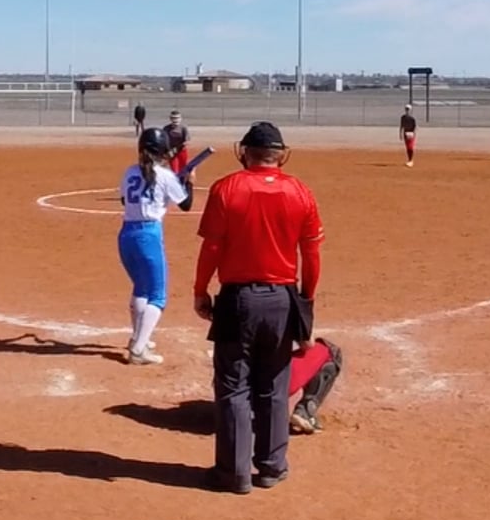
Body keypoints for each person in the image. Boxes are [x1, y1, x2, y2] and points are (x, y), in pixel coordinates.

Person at [194, 121, 323, 494]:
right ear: (280, 156)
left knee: (234, 386)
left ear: (245, 152)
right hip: (282, 298)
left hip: (238, 298)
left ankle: (233, 473)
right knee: (274, 385)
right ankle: (271, 466)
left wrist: (200, 290)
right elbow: (311, 254)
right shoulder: (300, 191)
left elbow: (212, 247)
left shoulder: (227, 188)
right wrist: (306, 301)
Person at [118, 127, 195, 365]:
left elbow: (124, 199)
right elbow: (186, 205)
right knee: (158, 296)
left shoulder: (130, 172)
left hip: (126, 234)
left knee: (141, 288)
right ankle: (138, 349)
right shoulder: (164, 175)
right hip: (148, 235)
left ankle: (138, 338)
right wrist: (189, 182)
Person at [288, 337, 343, 435]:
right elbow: (307, 344)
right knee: (331, 351)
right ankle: (304, 410)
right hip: (281, 380)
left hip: (258, 380)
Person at [162, 110, 192, 181]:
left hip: (182, 151)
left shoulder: (183, 128)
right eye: (173, 118)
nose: (175, 120)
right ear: (170, 118)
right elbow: (164, 140)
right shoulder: (166, 128)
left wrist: (179, 147)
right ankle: (176, 182)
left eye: (177, 118)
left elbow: (187, 141)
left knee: (183, 168)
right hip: (172, 152)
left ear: (180, 118)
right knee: (174, 169)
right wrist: (167, 151)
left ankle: (183, 181)